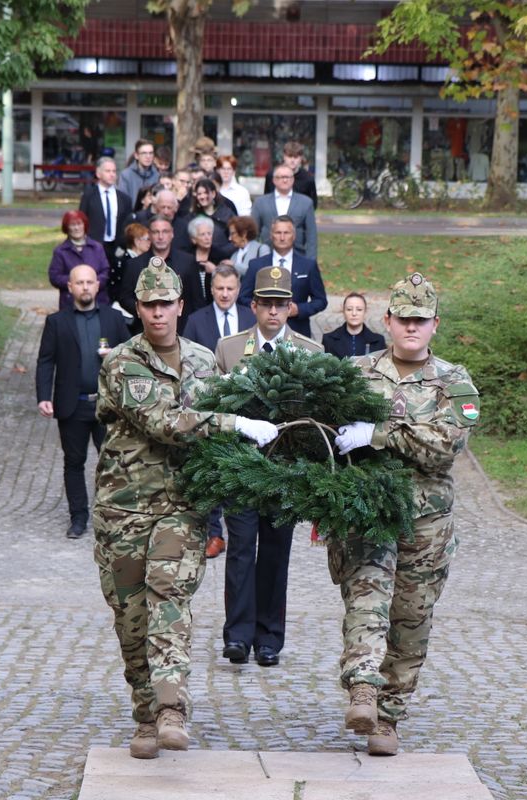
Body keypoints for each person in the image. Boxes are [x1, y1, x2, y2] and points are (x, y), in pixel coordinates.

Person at [93, 259, 279, 759]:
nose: (157, 313)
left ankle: (172, 708)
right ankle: (146, 715)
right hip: (124, 512)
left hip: (182, 508)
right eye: (148, 304)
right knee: (132, 619)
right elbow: (165, 422)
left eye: (165, 304)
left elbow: (224, 421)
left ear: (180, 305)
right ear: (138, 308)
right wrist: (232, 423)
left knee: (169, 602)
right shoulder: (122, 363)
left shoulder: (204, 360)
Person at [328, 272, 480, 757]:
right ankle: (364, 689)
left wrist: (379, 433)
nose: (411, 327)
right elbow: (325, 431)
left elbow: (445, 446)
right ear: (387, 321)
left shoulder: (455, 382)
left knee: (411, 618)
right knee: (367, 602)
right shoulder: (354, 371)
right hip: (368, 515)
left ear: (435, 324)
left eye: (421, 319)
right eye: (403, 318)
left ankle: (388, 717)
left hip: (427, 524)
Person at [214, 265, 323, 669]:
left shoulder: (310, 354)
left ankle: (269, 638)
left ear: (291, 308)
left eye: (281, 304)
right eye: (266, 304)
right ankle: (238, 635)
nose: (273, 312)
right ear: (253, 305)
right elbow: (215, 407)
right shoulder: (229, 349)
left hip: (284, 474)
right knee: (241, 550)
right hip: (241, 469)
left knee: (276, 554)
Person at [36, 265, 131, 538]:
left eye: (90, 282)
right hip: (72, 404)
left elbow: (132, 356)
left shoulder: (113, 319)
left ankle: (111, 515)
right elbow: (46, 362)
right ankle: (78, 517)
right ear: (70, 287)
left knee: (114, 462)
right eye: (80, 282)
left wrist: (115, 356)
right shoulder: (57, 322)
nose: (86, 287)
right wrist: (43, 396)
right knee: (74, 462)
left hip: (107, 405)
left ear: (98, 286)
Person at [181, 263, 256, 559]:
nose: (225, 294)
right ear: (211, 289)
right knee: (212, 470)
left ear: (238, 289)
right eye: (219, 288)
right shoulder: (197, 320)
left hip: (246, 408)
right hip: (209, 406)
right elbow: (186, 359)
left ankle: (242, 529)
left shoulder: (251, 319)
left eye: (230, 289)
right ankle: (214, 533)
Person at [238, 216, 327, 338]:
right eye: (278, 232)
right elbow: (243, 298)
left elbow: (321, 300)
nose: (282, 237)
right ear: (271, 235)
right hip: (262, 331)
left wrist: (299, 309)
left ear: (294, 236)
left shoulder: (308, 265)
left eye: (286, 233)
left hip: (297, 330)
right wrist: (261, 308)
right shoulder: (256, 265)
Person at [115, 215, 194, 332]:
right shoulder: (134, 265)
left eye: (165, 231)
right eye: (156, 232)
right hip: (145, 330)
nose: (160, 236)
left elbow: (196, 300)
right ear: (150, 235)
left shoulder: (188, 261)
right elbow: (124, 297)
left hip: (181, 330)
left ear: (172, 233)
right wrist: (146, 310)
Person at [251, 163, 318, 260]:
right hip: (267, 256)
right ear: (274, 180)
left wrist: (311, 262)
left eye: (288, 177)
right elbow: (253, 234)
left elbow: (311, 236)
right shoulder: (260, 203)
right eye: (281, 177)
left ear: (293, 179)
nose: (285, 180)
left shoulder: (306, 203)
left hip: (297, 255)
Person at [78, 155, 133, 272]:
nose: (112, 174)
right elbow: (81, 220)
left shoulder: (124, 199)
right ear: (98, 173)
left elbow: (128, 225)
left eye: (114, 171)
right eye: (108, 171)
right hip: (94, 246)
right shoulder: (89, 196)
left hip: (117, 248)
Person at [49, 210, 110, 310]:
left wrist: (91, 284)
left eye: (79, 224)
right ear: (67, 228)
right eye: (72, 225)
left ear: (84, 225)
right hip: (70, 303)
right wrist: (76, 283)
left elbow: (105, 272)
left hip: (98, 300)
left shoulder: (97, 248)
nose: (76, 228)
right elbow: (54, 277)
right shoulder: (60, 251)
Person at [180, 215, 226, 321]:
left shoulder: (220, 255)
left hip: (214, 307)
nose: (207, 237)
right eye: (202, 234)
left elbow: (227, 280)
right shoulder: (186, 257)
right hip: (189, 308)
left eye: (209, 233)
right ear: (194, 239)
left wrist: (215, 271)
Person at [183, 178, 235, 259]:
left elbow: (236, 238)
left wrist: (223, 253)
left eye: (206, 193)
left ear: (213, 193)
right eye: (199, 194)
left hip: (222, 258)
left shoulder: (227, 214)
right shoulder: (191, 217)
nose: (202, 196)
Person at [322, 293, 386, 358]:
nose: (354, 313)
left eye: (359, 309)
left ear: (365, 312)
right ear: (343, 312)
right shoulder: (329, 340)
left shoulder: (378, 341)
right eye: (349, 309)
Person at [261, 140, 318, 208]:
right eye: (290, 156)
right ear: (284, 156)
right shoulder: (272, 175)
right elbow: (266, 199)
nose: (292, 160)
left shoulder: (308, 179)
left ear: (301, 158)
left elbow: (312, 204)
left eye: (296, 157)